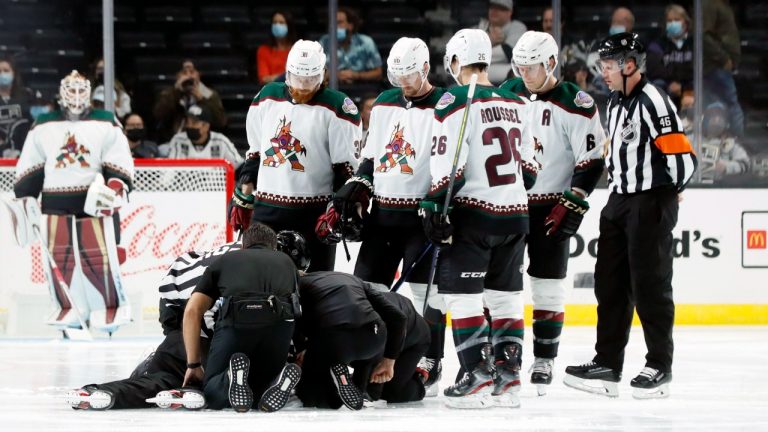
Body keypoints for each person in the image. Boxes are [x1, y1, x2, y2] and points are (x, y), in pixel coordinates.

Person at [564, 32, 697, 400]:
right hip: (619, 201)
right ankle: (607, 362)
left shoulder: (654, 101)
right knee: (610, 285)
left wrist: (669, 193)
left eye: (609, 65)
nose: (603, 72)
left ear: (630, 65)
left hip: (650, 201)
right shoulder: (616, 102)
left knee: (651, 286)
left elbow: (683, 159)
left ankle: (660, 365)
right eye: (602, 65)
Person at [421, 28, 537, 409]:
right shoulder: (517, 102)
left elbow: (447, 165)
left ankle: (475, 375)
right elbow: (531, 169)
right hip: (516, 214)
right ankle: (508, 377)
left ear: (456, 62)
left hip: (475, 216)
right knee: (505, 299)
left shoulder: (456, 99)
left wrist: (435, 206)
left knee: (462, 297)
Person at [330, 37, 448, 397]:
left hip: (420, 216)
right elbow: (371, 155)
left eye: (409, 75)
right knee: (366, 287)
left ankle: (431, 357)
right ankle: (369, 357)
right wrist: (359, 182)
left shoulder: (446, 105)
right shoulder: (383, 103)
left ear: (426, 69)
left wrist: (439, 201)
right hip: (383, 214)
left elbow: (450, 164)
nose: (403, 83)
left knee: (426, 295)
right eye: (396, 75)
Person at [500, 31, 606, 396]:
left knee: (547, 286)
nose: (525, 74)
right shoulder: (508, 91)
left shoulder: (576, 102)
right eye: (521, 66)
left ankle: (544, 358)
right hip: (508, 202)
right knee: (499, 284)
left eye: (532, 67)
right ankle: (501, 355)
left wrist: (574, 198)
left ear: (551, 64)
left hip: (551, 206)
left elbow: (592, 160)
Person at [13, 70, 134, 333]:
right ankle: (67, 306)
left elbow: (119, 160)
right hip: (54, 202)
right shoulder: (44, 124)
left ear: (89, 93)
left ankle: (108, 308)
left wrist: (115, 186)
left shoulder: (106, 121)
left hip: (93, 202)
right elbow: (31, 162)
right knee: (60, 258)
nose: (77, 97)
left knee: (98, 257)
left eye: (81, 91)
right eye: (72, 91)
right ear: (61, 93)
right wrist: (25, 195)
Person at [230, 40, 361, 272]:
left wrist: (342, 206)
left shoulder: (339, 107)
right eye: (297, 79)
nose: (301, 87)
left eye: (309, 80)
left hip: (314, 214)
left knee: (317, 287)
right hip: (267, 210)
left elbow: (346, 169)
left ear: (322, 75)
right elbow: (255, 154)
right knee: (257, 278)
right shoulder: (266, 97)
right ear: (288, 73)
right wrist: (245, 191)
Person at [64, 241, 242, 410]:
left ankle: (102, 391)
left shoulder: (217, 254)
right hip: (204, 332)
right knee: (188, 367)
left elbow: (174, 301)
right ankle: (183, 376)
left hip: (179, 316)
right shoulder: (254, 265)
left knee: (164, 375)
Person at [182, 223, 301, 413]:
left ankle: (229, 377)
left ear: (243, 246)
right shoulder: (287, 263)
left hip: (237, 323)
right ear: (274, 247)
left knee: (212, 392)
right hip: (279, 327)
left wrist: (193, 364)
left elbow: (192, 311)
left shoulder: (225, 260)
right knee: (259, 391)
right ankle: (274, 380)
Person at [295, 271, 408, 410]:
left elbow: (293, 317)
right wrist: (389, 360)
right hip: (374, 340)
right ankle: (357, 389)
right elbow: (399, 318)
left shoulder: (299, 284)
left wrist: (302, 347)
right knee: (356, 357)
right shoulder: (354, 279)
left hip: (335, 340)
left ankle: (330, 387)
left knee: (310, 396)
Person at [153, 59, 227, 144]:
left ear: (198, 74)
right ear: (178, 76)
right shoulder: (169, 93)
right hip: (173, 140)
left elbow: (221, 121)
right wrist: (176, 92)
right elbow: (158, 114)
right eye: (184, 73)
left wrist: (202, 100)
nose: (188, 76)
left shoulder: (208, 93)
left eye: (192, 72)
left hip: (203, 141)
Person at [703, 0, 743, 137]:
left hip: (722, 66)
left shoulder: (724, 6)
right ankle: (737, 140)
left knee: (726, 104)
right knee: (730, 104)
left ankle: (731, 140)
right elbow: (703, 36)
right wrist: (723, 58)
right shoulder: (710, 5)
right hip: (716, 66)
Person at [646, 4, 694, 109]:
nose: (673, 23)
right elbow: (655, 69)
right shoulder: (657, 44)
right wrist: (671, 83)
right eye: (669, 20)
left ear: (685, 22)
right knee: (657, 84)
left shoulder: (694, 43)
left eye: (676, 20)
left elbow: (697, 68)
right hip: (667, 87)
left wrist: (683, 86)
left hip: (689, 87)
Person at [319, 7, 383, 84]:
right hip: (334, 88)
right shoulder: (324, 42)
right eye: (333, 23)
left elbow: (378, 73)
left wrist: (356, 75)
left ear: (350, 25)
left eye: (339, 22)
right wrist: (336, 75)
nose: (335, 27)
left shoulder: (366, 42)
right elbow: (316, 73)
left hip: (361, 87)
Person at [166, 104, 242, 166]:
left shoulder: (221, 141)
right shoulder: (178, 140)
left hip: (213, 184)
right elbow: (169, 171)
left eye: (194, 123)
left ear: (206, 126)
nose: (189, 126)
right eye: (187, 122)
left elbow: (239, 165)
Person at [476, 0, 527, 84]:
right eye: (492, 7)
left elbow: (508, 53)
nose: (494, 11)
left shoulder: (517, 27)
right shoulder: (480, 27)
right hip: (479, 79)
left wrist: (477, 56)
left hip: (506, 80)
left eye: (500, 8)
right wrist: (490, 40)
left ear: (509, 12)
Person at [698, 102, 749, 182]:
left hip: (720, 188)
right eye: (713, 116)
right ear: (705, 120)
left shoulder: (731, 144)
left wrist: (726, 167)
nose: (717, 120)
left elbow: (745, 164)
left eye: (720, 117)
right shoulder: (691, 140)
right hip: (693, 187)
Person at [0, 57, 33, 158]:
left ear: (13, 73)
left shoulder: (26, 95)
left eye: (6, 71)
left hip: (22, 147)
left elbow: (31, 124)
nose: (2, 74)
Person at [257, 11, 297, 84]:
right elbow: (264, 79)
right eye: (275, 22)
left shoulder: (297, 50)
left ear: (289, 26)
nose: (277, 25)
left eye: (281, 23)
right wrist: (286, 76)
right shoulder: (264, 50)